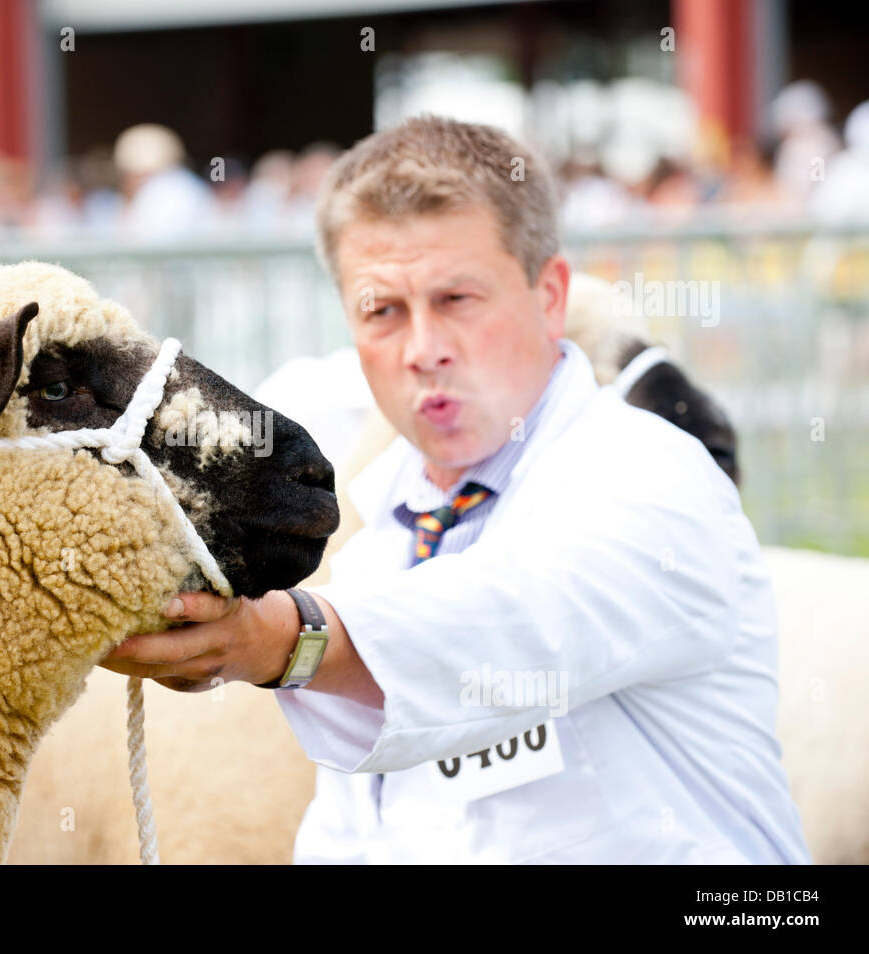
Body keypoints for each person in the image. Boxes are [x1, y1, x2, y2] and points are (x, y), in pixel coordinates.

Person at [99, 114, 811, 864]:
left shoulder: (652, 476)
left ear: (551, 295)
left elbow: (508, 617)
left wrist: (281, 640)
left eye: (457, 300)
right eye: (382, 311)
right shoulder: (384, 535)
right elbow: (354, 836)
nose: (423, 350)